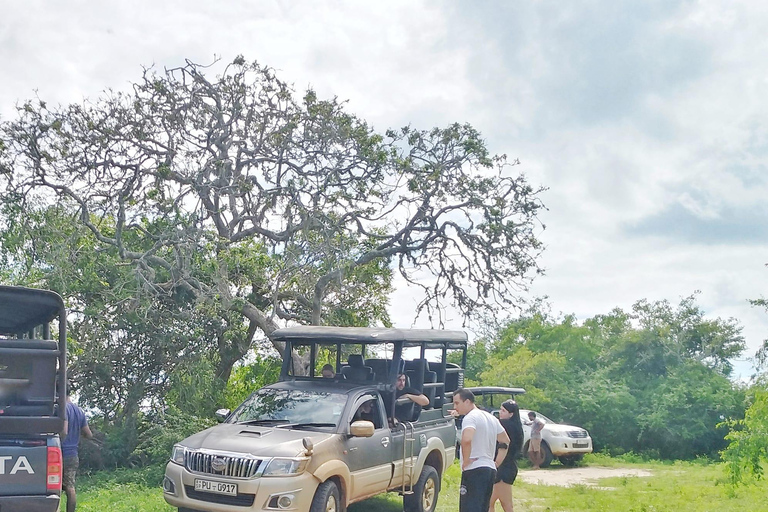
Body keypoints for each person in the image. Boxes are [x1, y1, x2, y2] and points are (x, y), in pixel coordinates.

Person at [452, 388, 510, 512]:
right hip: (489, 469)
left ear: (467, 401)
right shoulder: (491, 418)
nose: (455, 406)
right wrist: (496, 463)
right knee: (483, 507)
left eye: (457, 403)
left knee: (469, 507)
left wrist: (466, 461)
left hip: (474, 469)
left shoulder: (470, 417)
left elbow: (467, 439)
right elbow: (505, 440)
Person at [61, 383, 93, 512]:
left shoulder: (62, 409)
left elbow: (64, 431)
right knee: (70, 487)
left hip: (60, 452)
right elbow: (89, 434)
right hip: (73, 454)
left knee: (54, 486)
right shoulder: (79, 410)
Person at [489, 400, 524, 512]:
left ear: (511, 414)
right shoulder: (517, 426)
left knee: (503, 505)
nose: (500, 412)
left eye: (503, 410)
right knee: (493, 503)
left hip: (503, 468)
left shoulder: (505, 424)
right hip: (507, 466)